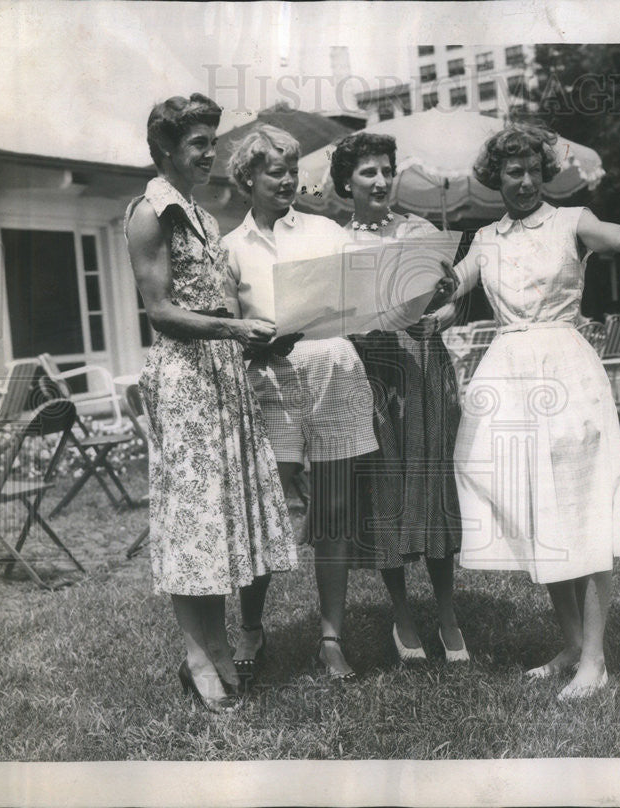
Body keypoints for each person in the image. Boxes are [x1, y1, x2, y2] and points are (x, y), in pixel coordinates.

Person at [448, 123, 620, 700]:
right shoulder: (484, 238)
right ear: (495, 178)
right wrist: (425, 299)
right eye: (511, 172)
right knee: (539, 507)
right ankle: (569, 644)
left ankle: (595, 659)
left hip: (566, 370)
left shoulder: (573, 220)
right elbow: (453, 289)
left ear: (545, 173)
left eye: (531, 170)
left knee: (582, 503)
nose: (522, 181)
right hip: (507, 375)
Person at [125, 94, 297, 713]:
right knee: (194, 521)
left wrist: (259, 335)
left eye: (212, 141)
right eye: (198, 143)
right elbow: (161, 311)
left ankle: (219, 647)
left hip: (221, 376)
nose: (210, 153)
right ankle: (197, 654)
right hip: (185, 381)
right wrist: (232, 330)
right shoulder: (151, 212)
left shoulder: (198, 212)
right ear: (166, 148)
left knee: (219, 520)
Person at [221, 124, 377, 682]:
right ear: (247, 178)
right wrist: (250, 333)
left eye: (292, 171)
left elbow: (361, 298)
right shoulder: (231, 248)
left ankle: (331, 638)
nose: (287, 180)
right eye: (275, 172)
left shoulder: (327, 230)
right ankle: (251, 628)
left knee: (332, 511)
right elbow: (222, 324)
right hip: (270, 381)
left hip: (333, 371)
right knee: (264, 513)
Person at [328, 132, 469, 663]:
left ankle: (448, 612)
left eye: (387, 170)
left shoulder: (419, 230)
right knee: (385, 488)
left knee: (431, 488)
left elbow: (452, 298)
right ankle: (402, 613)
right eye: (368, 173)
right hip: (369, 367)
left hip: (422, 361)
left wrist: (443, 305)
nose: (381, 181)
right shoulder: (336, 243)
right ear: (347, 182)